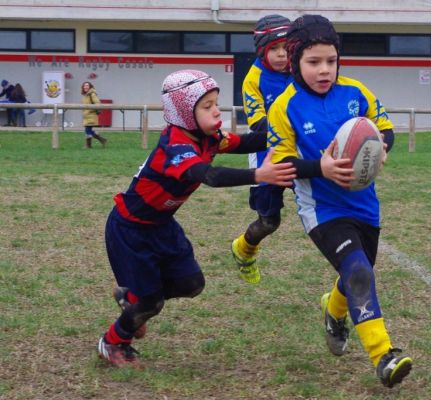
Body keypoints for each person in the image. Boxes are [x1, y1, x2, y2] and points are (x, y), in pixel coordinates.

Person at [97, 69, 296, 368]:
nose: (216, 111)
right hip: (131, 229)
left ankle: (132, 299)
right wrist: (259, 174)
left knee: (191, 283)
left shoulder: (210, 137)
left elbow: (248, 142)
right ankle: (113, 341)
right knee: (151, 303)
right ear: (184, 113)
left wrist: (287, 128)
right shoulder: (176, 147)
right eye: (207, 106)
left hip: (162, 225)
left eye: (216, 103)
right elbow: (210, 177)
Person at [267, 15, 412, 388]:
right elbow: (281, 163)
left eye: (331, 61)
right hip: (323, 211)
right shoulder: (285, 108)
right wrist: (322, 168)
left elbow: (385, 129)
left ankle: (333, 313)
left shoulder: (356, 92)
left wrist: (381, 147)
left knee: (355, 275)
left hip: (365, 206)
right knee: (360, 271)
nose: (324, 70)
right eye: (314, 62)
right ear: (296, 60)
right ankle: (384, 355)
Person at [231, 14, 292, 284]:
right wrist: (295, 125)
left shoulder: (302, 69)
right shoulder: (253, 79)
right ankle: (244, 248)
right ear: (262, 50)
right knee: (269, 222)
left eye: (286, 48)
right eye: (274, 49)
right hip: (266, 156)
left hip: (302, 152)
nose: (282, 55)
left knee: (324, 205)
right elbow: (258, 125)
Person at [81, 81, 107, 148]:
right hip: (86, 115)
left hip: (91, 115)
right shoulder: (85, 95)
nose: (85, 87)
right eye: (84, 86)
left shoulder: (92, 94)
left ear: (90, 87)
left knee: (87, 130)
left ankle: (88, 145)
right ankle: (102, 139)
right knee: (88, 130)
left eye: (87, 85)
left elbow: (97, 103)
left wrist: (90, 110)